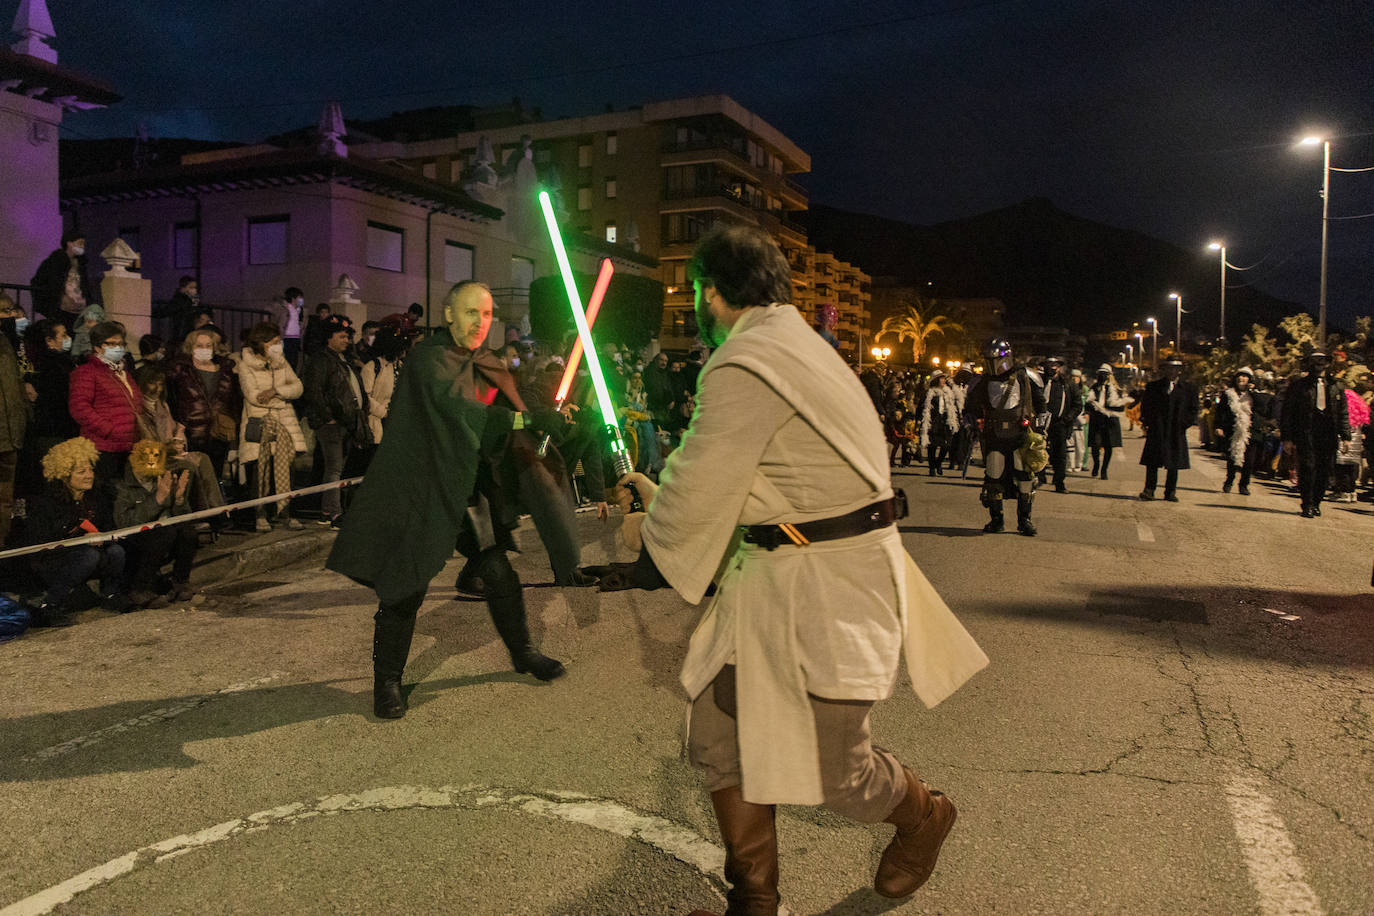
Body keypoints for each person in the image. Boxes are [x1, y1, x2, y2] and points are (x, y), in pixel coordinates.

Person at [598, 225, 985, 914]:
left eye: (698, 296)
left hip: (828, 586)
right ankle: (755, 900)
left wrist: (646, 527)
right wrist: (664, 501)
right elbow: (748, 481)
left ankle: (927, 816)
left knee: (842, 777)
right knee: (720, 738)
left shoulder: (747, 360)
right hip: (778, 574)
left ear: (711, 293)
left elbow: (696, 495)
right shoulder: (800, 346)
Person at [326, 280, 571, 720]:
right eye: (472, 312)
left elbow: (508, 410)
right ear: (450, 314)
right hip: (424, 486)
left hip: (469, 485)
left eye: (489, 313)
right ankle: (387, 683)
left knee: (497, 571)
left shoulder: (488, 361)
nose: (481, 321)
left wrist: (546, 420)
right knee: (406, 585)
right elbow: (461, 410)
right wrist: (525, 416)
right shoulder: (427, 359)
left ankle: (524, 653)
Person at [24, 437, 131, 623]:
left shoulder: (96, 497)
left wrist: (103, 537)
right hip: (53, 559)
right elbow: (43, 540)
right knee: (90, 555)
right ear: (65, 475)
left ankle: (110, 595)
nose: (89, 475)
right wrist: (83, 535)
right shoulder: (47, 502)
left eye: (90, 469)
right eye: (82, 471)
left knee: (116, 551)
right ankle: (50, 606)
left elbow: (109, 528)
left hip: (87, 554)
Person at [965, 338, 1047, 535]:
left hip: (1020, 434)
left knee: (1025, 477)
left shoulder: (1025, 376)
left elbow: (1041, 405)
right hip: (994, 435)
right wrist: (973, 423)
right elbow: (970, 408)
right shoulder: (981, 381)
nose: (994, 365)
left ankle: (1024, 520)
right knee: (994, 476)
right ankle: (996, 520)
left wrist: (1041, 431)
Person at [302, 315, 371, 526]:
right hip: (332, 424)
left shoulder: (344, 360)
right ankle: (331, 512)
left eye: (348, 337)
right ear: (328, 337)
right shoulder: (321, 360)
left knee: (340, 469)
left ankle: (338, 508)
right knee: (333, 468)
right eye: (341, 336)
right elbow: (314, 392)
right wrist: (327, 418)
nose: (346, 340)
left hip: (348, 422)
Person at [238, 322, 306, 530]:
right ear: (262, 343)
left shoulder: (281, 362)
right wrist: (283, 398)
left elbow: (298, 387)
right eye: (274, 342)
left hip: (285, 424)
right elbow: (254, 396)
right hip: (260, 424)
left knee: (286, 469)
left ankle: (285, 512)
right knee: (260, 470)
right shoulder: (245, 365)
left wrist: (276, 391)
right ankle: (260, 514)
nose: (279, 346)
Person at [113, 439, 198, 607]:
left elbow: (181, 517)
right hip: (135, 539)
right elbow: (124, 522)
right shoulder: (122, 487)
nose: (151, 460)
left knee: (188, 532)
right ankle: (139, 588)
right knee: (165, 533)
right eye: (146, 456)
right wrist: (157, 499)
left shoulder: (162, 478)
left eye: (156, 456)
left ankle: (180, 582)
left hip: (164, 535)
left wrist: (180, 501)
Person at [68, 321, 142, 487]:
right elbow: (79, 408)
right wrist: (108, 429)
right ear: (98, 347)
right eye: (112, 343)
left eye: (121, 343)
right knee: (104, 493)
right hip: (103, 446)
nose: (118, 348)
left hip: (127, 445)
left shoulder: (122, 372)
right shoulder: (87, 372)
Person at [164, 328, 240, 481]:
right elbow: (172, 399)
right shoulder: (180, 370)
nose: (204, 350)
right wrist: (179, 427)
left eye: (208, 345)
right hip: (192, 432)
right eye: (199, 346)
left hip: (220, 432)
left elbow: (234, 401)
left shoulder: (226, 370)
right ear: (191, 348)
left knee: (214, 477)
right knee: (191, 478)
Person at [1281, 351, 1351, 518]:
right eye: (1315, 362)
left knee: (1324, 470)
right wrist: (1287, 438)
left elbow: (1343, 413)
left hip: (1328, 433)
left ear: (1327, 364)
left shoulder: (1336, 386)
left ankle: (1317, 502)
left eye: (1322, 361)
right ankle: (1307, 504)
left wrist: (1346, 436)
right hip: (1306, 432)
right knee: (1307, 468)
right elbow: (1288, 413)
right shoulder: (1299, 386)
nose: (1318, 365)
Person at [1138, 358, 1198, 502]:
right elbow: (1146, 406)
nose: (1172, 371)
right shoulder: (1154, 387)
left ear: (1179, 371)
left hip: (1176, 430)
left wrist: (1184, 424)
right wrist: (1148, 422)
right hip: (1157, 429)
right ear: (1164, 370)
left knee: (1174, 463)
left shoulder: (1189, 389)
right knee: (1152, 461)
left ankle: (1170, 491)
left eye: (1175, 368)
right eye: (1169, 368)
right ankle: (1149, 489)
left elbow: (1193, 409)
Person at [1214, 367, 1266, 496]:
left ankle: (1244, 484)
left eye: (1245, 376)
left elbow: (1262, 408)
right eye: (1240, 376)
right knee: (1232, 458)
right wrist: (1219, 426)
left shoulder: (1254, 395)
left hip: (1250, 431)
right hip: (1233, 429)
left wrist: (1253, 391)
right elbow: (1220, 412)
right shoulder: (1228, 394)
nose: (1241, 379)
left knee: (1249, 460)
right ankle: (1229, 480)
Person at [29, 231, 93, 332]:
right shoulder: (54, 262)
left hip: (80, 311)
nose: (82, 246)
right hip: (61, 310)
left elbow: (85, 286)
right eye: (80, 243)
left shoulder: (81, 265)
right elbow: (38, 282)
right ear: (69, 243)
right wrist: (48, 306)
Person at [0, 299, 26, 545]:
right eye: (5, 311)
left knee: (5, 503)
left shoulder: (7, 343)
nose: (10, 316)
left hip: (10, 437)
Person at [1042, 357, 1083, 493]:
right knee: (1038, 450)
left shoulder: (1067, 384)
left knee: (1060, 454)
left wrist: (1068, 418)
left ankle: (1059, 481)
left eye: (1055, 366)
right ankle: (1039, 477)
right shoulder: (1040, 382)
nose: (1052, 368)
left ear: (1059, 368)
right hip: (1041, 422)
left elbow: (1077, 404)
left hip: (1060, 423)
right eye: (1049, 366)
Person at [1086, 364, 1125, 479]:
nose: (1102, 376)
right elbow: (1088, 403)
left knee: (1108, 446)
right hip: (1097, 421)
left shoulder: (1115, 389)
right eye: (1100, 374)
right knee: (1095, 445)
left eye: (1105, 374)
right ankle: (1096, 465)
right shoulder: (1094, 388)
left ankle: (1104, 470)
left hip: (1110, 421)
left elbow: (1120, 406)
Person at [919, 370, 958, 476]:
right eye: (941, 378)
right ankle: (932, 468)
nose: (943, 380)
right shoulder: (929, 393)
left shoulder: (948, 392)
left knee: (946, 445)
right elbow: (921, 407)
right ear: (936, 380)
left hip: (945, 421)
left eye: (944, 378)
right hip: (933, 421)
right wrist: (920, 420)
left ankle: (938, 463)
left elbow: (953, 406)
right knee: (932, 446)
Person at [160, 276, 200, 345]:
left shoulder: (191, 300)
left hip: (185, 332)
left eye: (195, 288)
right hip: (181, 333)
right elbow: (169, 311)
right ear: (183, 288)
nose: (194, 290)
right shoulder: (180, 301)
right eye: (191, 287)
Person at [277, 288, 306, 368]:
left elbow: (301, 325)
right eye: (299, 298)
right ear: (293, 298)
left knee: (294, 362)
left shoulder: (299, 310)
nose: (301, 300)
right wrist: (281, 339)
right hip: (287, 338)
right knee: (288, 362)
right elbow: (281, 325)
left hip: (296, 339)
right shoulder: (286, 309)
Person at [1067, 368, 1089, 472]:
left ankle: (1079, 464)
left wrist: (1087, 414)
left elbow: (1089, 403)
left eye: (1077, 377)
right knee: (1070, 444)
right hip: (1070, 419)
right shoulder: (1067, 388)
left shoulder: (1084, 390)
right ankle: (1070, 464)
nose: (1075, 379)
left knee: (1081, 444)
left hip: (1081, 420)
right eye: (1073, 377)